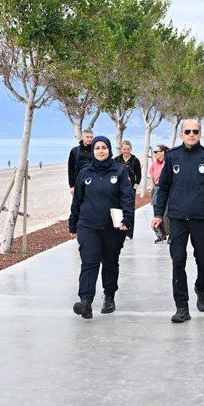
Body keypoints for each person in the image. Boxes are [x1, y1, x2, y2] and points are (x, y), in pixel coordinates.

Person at [151, 120, 204, 323]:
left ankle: (201, 288)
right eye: (187, 131)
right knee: (178, 261)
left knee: (202, 259)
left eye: (195, 131)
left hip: (201, 218)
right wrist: (158, 214)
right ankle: (182, 307)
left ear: (200, 134)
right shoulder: (172, 156)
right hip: (177, 218)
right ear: (181, 135)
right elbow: (163, 187)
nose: (191, 134)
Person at [69, 136, 135, 319]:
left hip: (113, 227)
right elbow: (77, 200)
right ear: (92, 151)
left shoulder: (119, 171)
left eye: (104, 147)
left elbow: (127, 198)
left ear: (109, 150)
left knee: (110, 262)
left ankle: (109, 296)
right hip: (88, 225)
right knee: (89, 262)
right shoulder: (85, 172)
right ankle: (86, 302)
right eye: (97, 148)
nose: (100, 151)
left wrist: (127, 220)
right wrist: (73, 223)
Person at [114, 140, 142, 239]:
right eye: (124, 149)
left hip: (130, 189)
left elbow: (138, 175)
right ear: (121, 149)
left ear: (131, 149)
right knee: (118, 210)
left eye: (128, 149)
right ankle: (118, 231)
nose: (126, 151)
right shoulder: (116, 160)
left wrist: (134, 187)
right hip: (118, 189)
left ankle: (129, 233)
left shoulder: (135, 160)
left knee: (129, 210)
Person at [148, 144, 169, 242]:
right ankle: (161, 235)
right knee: (156, 213)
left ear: (163, 152)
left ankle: (170, 235)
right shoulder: (153, 165)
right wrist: (152, 188)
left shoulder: (167, 163)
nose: (154, 153)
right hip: (156, 189)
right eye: (154, 152)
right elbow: (152, 178)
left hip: (166, 189)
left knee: (166, 214)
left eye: (156, 152)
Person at [67, 129, 94, 195]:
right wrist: (71, 186)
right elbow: (71, 169)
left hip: (93, 183)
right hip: (78, 183)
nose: (89, 139)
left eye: (91, 137)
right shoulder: (75, 151)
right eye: (87, 137)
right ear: (82, 137)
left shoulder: (95, 150)